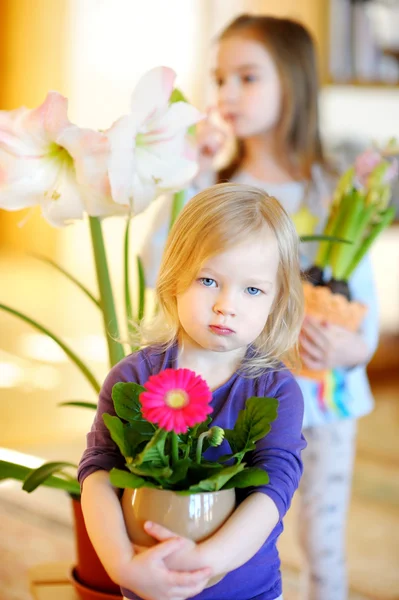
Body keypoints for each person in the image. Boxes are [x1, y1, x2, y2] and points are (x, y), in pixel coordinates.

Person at [137, 14, 379, 600]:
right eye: (220, 79)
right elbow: (154, 267)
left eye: (247, 78)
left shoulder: (333, 195)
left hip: (323, 396)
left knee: (323, 537)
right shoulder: (216, 189)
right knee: (235, 520)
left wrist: (351, 347)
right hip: (240, 393)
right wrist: (189, 176)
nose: (226, 95)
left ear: (292, 85)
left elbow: (362, 313)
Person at [78, 182, 306, 600]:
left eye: (252, 289)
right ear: (174, 277)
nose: (226, 305)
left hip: (246, 591)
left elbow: (274, 488)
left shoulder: (277, 391)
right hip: (147, 583)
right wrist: (122, 565)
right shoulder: (131, 378)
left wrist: (205, 563)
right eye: (208, 279)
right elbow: (98, 472)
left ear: (276, 301)